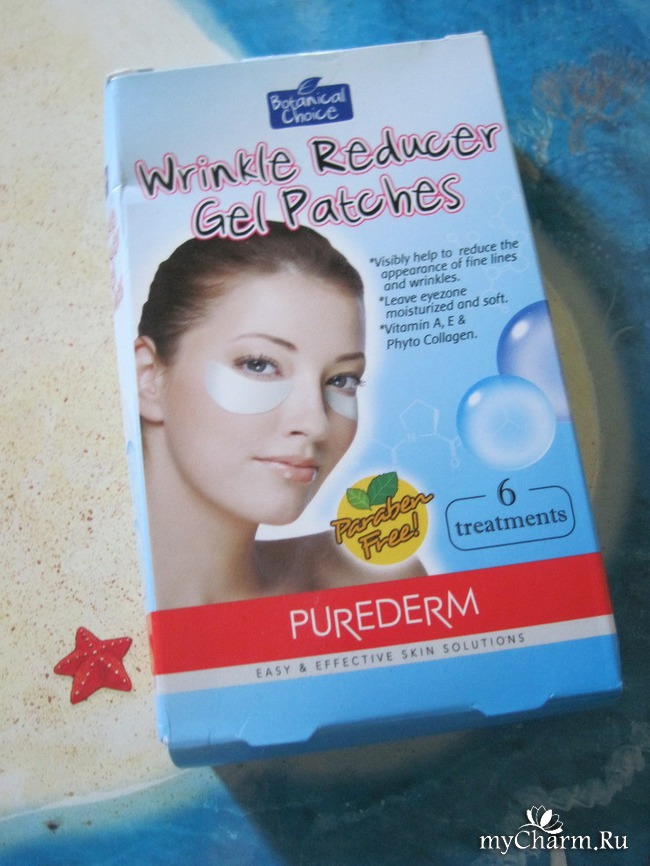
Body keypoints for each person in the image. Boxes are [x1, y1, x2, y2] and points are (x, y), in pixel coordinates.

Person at [136, 222, 423, 609]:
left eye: (342, 379)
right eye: (259, 365)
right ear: (149, 379)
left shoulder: (372, 583)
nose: (316, 424)